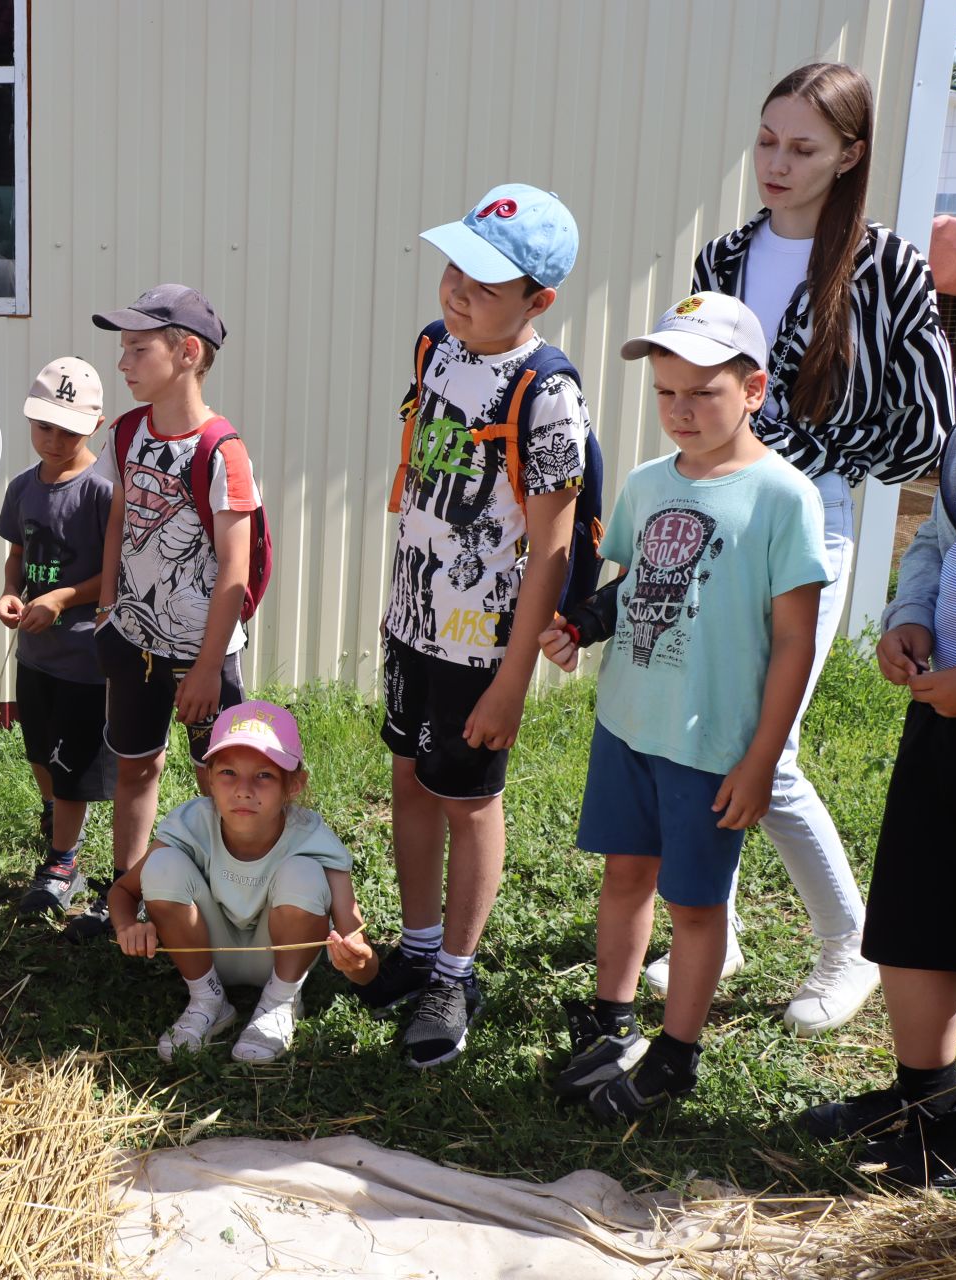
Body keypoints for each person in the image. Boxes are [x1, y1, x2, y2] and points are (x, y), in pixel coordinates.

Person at [674, 62, 955, 1037]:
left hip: (812, 516)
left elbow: (926, 429)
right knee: (712, 726)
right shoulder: (721, 256)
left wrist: (797, 452)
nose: (777, 164)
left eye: (803, 147)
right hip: (719, 511)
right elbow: (692, 393)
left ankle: (848, 942)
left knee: (770, 744)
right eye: (766, 141)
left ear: (850, 154)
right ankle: (723, 921)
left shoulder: (885, 270)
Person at [541, 293, 826, 1119]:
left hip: (711, 744)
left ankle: (675, 1057)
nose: (681, 410)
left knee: (696, 906)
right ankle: (612, 1017)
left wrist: (761, 758)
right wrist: (584, 625)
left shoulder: (782, 497)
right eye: (667, 391)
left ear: (755, 389)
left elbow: (795, 645)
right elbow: (628, 585)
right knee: (626, 874)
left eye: (703, 391)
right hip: (630, 721)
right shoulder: (647, 482)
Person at [363, 185, 588, 1069]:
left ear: (539, 300)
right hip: (413, 622)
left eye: (487, 284)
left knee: (469, 800)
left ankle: (456, 971)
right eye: (455, 267)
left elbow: (553, 550)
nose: (458, 290)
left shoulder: (547, 392)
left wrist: (511, 678)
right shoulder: (434, 350)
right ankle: (417, 948)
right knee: (411, 781)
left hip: (480, 646)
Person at [795, 418, 956, 1187]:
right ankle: (929, 1104)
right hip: (943, 712)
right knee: (917, 914)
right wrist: (911, 617)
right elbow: (936, 539)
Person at [75, 283, 254, 944]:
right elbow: (120, 516)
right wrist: (105, 610)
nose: (122, 363)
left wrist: (208, 667)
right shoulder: (125, 432)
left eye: (137, 349)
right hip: (132, 639)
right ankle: (129, 887)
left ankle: (229, 894)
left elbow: (234, 569)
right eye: (122, 348)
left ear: (185, 353)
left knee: (223, 778)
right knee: (136, 764)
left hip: (203, 654)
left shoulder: (222, 451)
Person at [110, 700, 375, 1064]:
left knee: (303, 874)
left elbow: (362, 956)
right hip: (208, 953)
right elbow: (123, 891)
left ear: (294, 784)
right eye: (228, 773)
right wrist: (128, 926)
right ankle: (207, 999)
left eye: (264, 775)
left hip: (280, 957)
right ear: (209, 778)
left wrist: (357, 963)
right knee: (163, 865)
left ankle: (281, 1002)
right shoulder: (190, 823)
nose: (244, 789)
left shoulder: (312, 837)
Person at [0, 356, 114, 914]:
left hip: (84, 659)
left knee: (72, 764)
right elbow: (17, 555)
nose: (55, 439)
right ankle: (57, 820)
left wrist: (63, 598)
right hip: (37, 655)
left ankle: (63, 863)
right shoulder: (23, 488)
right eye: (45, 426)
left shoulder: (102, 492)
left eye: (69, 429)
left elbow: (113, 577)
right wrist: (10, 594)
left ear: (96, 425)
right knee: (40, 750)